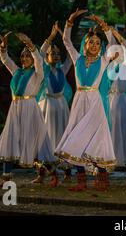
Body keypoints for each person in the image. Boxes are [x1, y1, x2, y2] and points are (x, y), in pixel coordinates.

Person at [55, 9, 117, 192]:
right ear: (85, 44)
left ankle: (102, 176)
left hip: (95, 101)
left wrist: (105, 27)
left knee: (97, 137)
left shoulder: (104, 60)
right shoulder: (78, 59)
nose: (95, 45)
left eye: (98, 43)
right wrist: (70, 21)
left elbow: (112, 44)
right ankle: (81, 180)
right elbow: (66, 41)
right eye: (91, 42)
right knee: (76, 136)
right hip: (79, 100)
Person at [0, 32, 58, 187]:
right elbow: (5, 60)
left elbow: (38, 60)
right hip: (15, 110)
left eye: (27, 56)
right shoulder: (17, 71)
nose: (24, 58)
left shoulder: (37, 74)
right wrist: (3, 47)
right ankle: (6, 179)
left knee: (35, 143)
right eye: (22, 56)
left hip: (30, 109)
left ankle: (52, 173)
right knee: (10, 139)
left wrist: (30, 44)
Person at [103, 25, 126, 185]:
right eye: (113, 51)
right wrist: (107, 33)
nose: (116, 53)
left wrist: (115, 33)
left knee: (125, 132)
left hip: (122, 102)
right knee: (108, 132)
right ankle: (106, 170)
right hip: (109, 101)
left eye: (119, 51)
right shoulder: (108, 67)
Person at [38, 22, 73, 183]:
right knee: (47, 137)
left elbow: (71, 59)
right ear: (47, 57)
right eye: (53, 53)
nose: (57, 56)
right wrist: (51, 38)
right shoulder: (43, 70)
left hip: (61, 107)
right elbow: (39, 53)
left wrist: (64, 35)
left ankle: (65, 169)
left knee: (61, 136)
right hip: (47, 106)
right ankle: (46, 171)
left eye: (58, 53)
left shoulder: (62, 69)